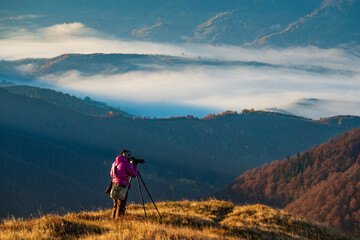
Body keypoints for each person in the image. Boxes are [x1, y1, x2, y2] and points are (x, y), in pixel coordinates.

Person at [110, 149, 138, 219]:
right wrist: (135, 166)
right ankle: (119, 221)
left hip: (114, 185)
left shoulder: (115, 163)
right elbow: (134, 174)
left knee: (115, 205)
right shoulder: (127, 164)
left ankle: (113, 219)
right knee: (121, 205)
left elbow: (111, 174)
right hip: (122, 186)